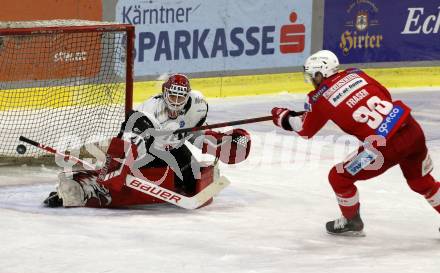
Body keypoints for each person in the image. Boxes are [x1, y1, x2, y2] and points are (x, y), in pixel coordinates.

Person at [271, 50, 440, 236]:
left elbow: (305, 130)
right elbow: (385, 95)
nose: (312, 81)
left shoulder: (318, 97)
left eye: (313, 76)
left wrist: (283, 117)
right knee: (422, 182)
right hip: (411, 130)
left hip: (383, 148)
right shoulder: (356, 73)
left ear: (321, 73)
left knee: (339, 177)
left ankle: (352, 220)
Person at [44, 73, 250, 208]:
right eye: (173, 96)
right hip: (151, 149)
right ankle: (94, 186)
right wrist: (123, 164)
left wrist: (222, 143)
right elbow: (130, 139)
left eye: (181, 98)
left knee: (190, 182)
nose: (176, 102)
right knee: (122, 174)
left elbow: (196, 134)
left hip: (175, 148)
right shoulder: (148, 110)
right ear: (164, 93)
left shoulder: (197, 107)